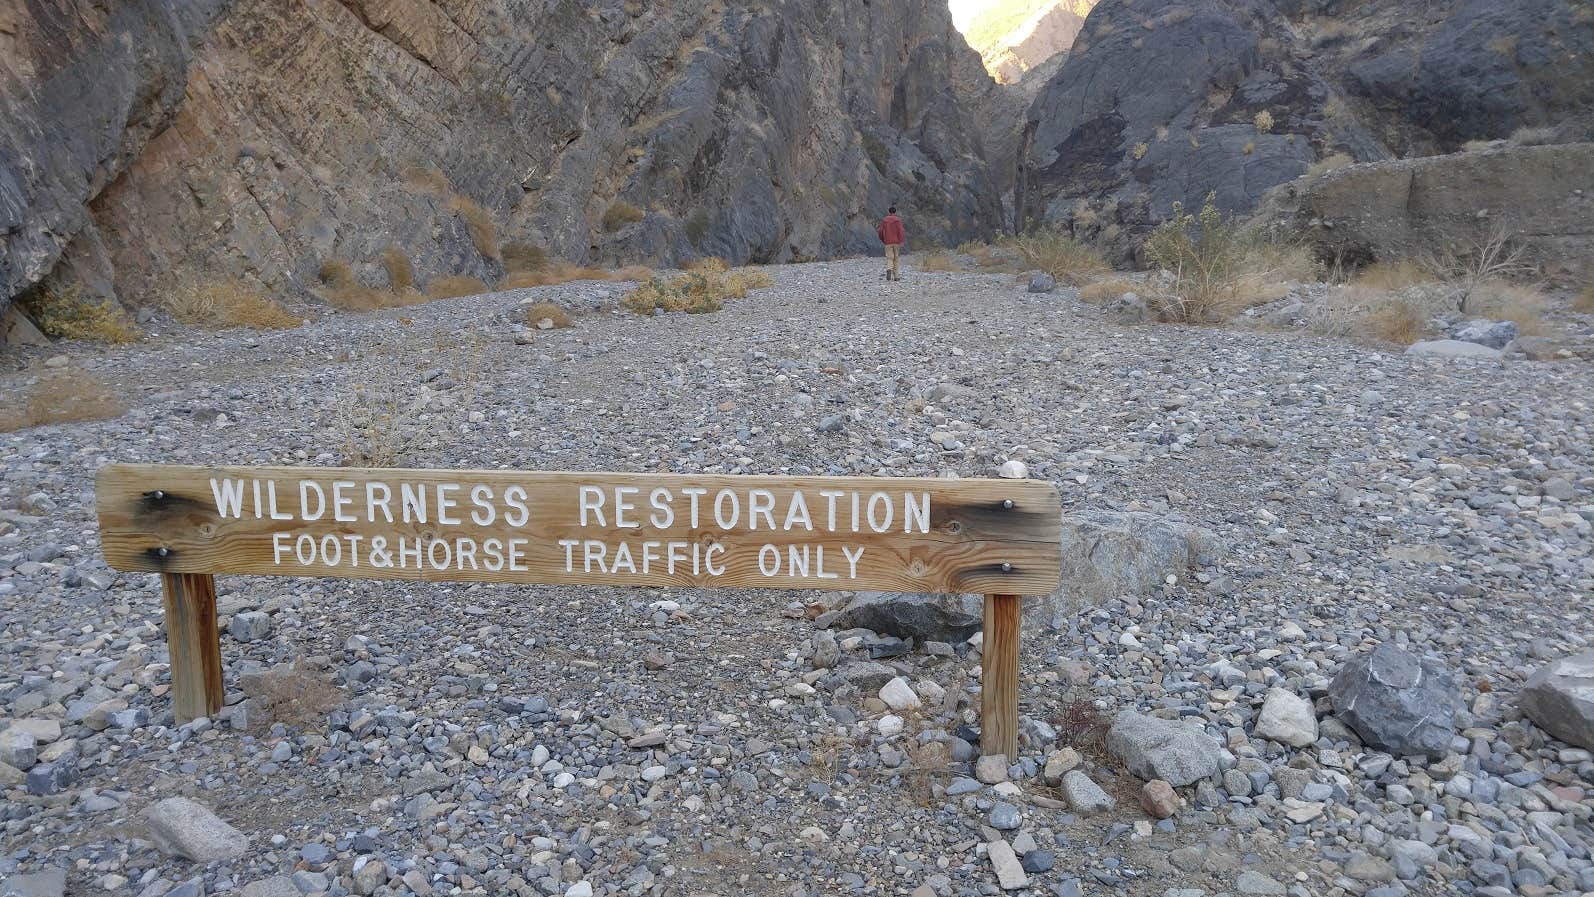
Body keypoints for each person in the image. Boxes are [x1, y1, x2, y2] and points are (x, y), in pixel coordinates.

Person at [877, 206, 905, 281]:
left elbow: (880, 231)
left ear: (889, 212)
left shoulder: (885, 220)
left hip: (888, 242)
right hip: (896, 242)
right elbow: (901, 231)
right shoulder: (898, 220)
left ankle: (889, 268)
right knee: (896, 258)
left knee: (889, 257)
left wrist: (883, 239)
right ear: (895, 212)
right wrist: (901, 241)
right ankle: (896, 276)